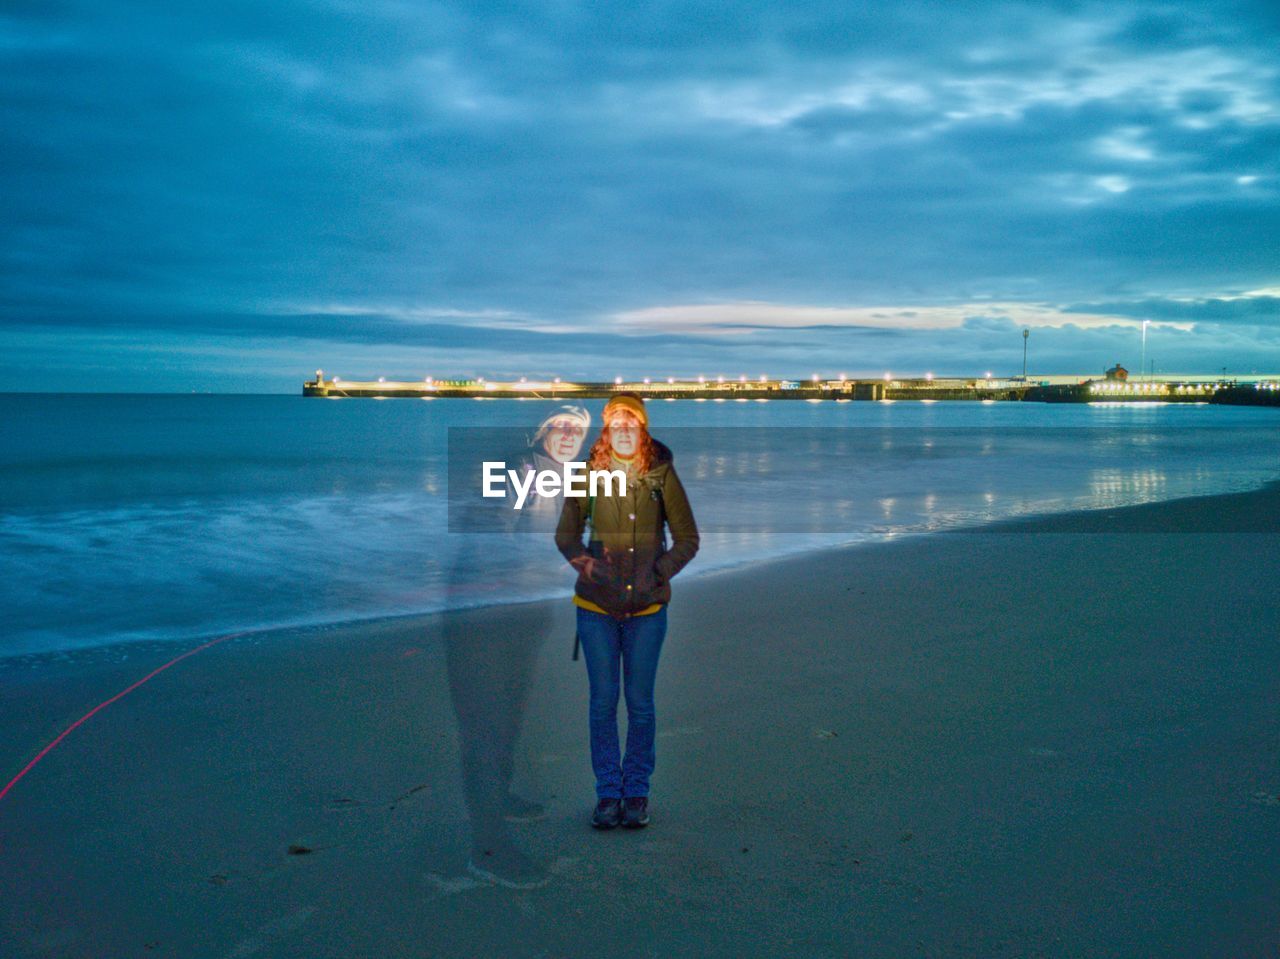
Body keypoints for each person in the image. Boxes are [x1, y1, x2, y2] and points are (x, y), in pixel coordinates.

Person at [555, 392, 699, 829]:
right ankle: (607, 794)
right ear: (606, 429)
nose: (623, 429)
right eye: (615, 422)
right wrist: (586, 563)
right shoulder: (588, 474)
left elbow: (688, 539)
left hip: (647, 609)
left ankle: (636, 793)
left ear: (642, 429)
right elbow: (565, 536)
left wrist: (660, 572)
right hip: (595, 608)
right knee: (602, 704)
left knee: (639, 704)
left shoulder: (661, 476)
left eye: (630, 422)